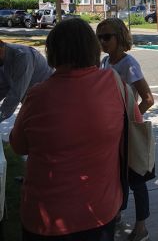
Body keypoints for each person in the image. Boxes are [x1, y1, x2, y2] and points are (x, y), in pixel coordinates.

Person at [9, 18, 134, 240]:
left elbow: (18, 146)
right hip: (101, 212)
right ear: (92, 48)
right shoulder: (115, 84)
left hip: (46, 217)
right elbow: (133, 128)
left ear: (53, 51)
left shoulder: (38, 95)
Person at [96, 18, 154, 241]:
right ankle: (117, 212)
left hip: (128, 132)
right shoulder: (104, 62)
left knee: (137, 179)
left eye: (107, 37)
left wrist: (131, 119)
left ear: (119, 37)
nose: (102, 42)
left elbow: (148, 99)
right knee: (115, 176)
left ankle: (141, 227)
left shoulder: (129, 64)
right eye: (99, 37)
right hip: (110, 131)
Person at [0, 40, 53, 123]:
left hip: (48, 101)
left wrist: (1, 115)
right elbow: (2, 87)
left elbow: (16, 93)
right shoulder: (3, 60)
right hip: (32, 102)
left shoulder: (23, 56)